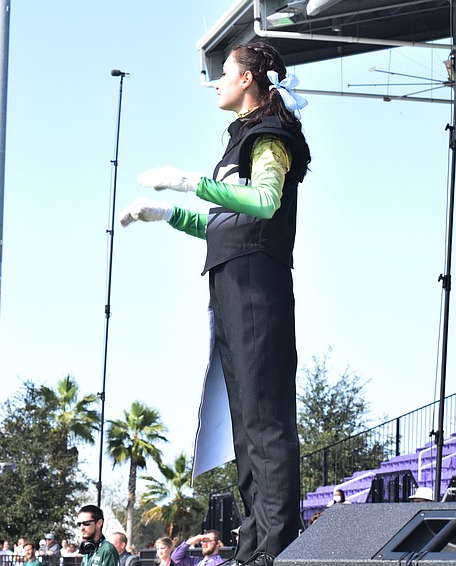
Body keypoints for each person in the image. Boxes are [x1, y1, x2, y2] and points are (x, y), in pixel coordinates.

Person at [120, 39, 311, 566]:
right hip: (229, 279)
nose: (217, 82)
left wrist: (190, 182)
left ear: (249, 79)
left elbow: (265, 202)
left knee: (266, 421)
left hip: (258, 285)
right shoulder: (237, 142)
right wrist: (169, 214)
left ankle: (279, 547)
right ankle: (254, 545)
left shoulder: (271, 135)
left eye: (224, 73)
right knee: (244, 424)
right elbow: (226, 224)